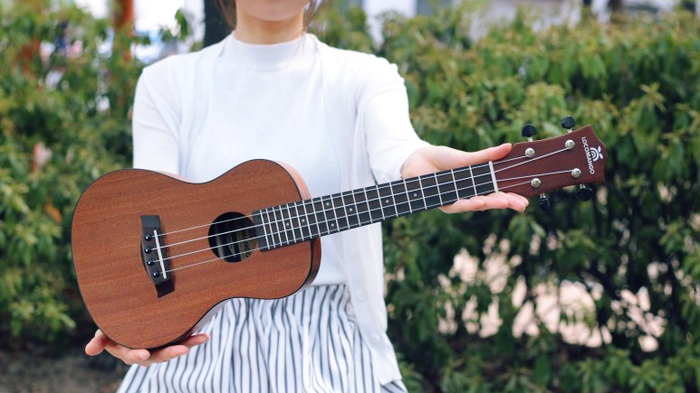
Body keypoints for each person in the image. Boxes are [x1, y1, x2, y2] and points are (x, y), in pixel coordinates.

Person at [85, 1, 528, 392]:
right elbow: (143, 211)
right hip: (200, 336)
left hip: (327, 339)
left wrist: (418, 168)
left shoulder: (365, 76)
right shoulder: (168, 82)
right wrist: (134, 317)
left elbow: (398, 150)